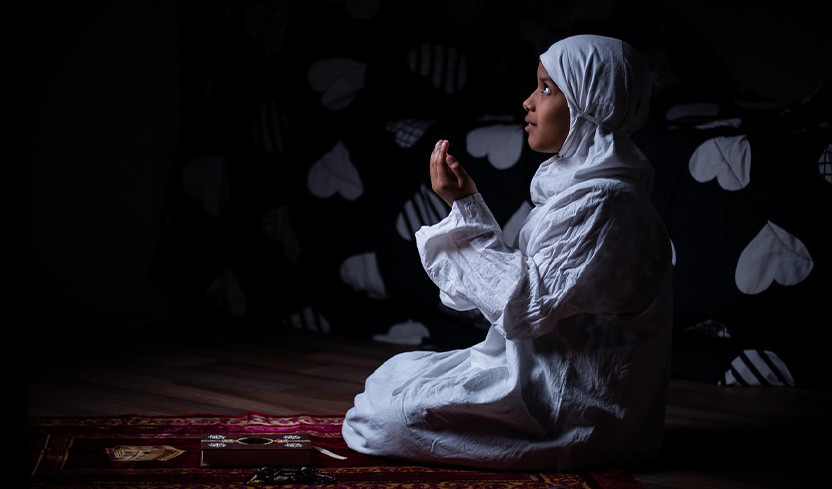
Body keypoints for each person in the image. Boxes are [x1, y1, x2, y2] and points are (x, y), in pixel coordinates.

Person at [342, 34, 673, 471]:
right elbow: (518, 299)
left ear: (589, 104)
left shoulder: (605, 203)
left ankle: (569, 442)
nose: (528, 102)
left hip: (576, 404)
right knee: (392, 378)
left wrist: (466, 208)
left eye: (547, 89)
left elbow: (521, 308)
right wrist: (465, 206)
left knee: (382, 419)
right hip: (543, 375)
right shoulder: (584, 192)